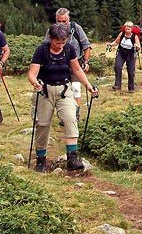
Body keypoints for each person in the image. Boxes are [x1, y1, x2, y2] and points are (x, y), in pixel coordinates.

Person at [27, 23, 98, 172]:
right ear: (51, 39)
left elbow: (77, 69)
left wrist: (88, 86)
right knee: (42, 124)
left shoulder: (69, 49)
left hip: (64, 90)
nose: (60, 45)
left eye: (63, 42)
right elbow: (32, 73)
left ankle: (72, 158)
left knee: (70, 118)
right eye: (57, 42)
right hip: (44, 90)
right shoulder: (41, 50)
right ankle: (41, 159)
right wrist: (35, 83)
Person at [45, 8, 93, 126]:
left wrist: (86, 62)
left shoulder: (76, 28)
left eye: (64, 21)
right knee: (62, 90)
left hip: (75, 63)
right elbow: (45, 47)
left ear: (68, 19)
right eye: (59, 21)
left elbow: (86, 46)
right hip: (58, 65)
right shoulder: (51, 31)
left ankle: (74, 114)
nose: (61, 24)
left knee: (76, 88)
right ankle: (64, 114)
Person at [107, 21, 141, 92]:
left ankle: (131, 88)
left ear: (132, 29)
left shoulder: (134, 36)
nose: (127, 30)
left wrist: (136, 46)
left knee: (131, 71)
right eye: (126, 29)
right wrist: (110, 44)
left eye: (128, 29)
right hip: (121, 53)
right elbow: (116, 42)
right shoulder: (121, 34)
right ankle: (117, 85)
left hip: (130, 54)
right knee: (117, 66)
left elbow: (138, 47)